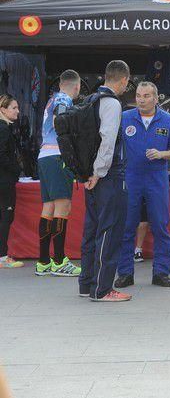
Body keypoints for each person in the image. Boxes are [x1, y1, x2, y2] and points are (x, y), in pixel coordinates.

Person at [114, 81, 170, 289]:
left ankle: (161, 273)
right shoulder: (124, 118)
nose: (141, 100)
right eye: (138, 95)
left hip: (157, 179)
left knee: (160, 226)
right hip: (131, 178)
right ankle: (125, 273)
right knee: (127, 227)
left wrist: (162, 154)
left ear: (156, 98)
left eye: (146, 96)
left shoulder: (169, 121)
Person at [79, 60, 131, 301]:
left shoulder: (89, 100)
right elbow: (108, 140)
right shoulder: (111, 104)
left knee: (91, 230)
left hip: (89, 175)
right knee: (110, 230)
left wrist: (89, 173)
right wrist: (99, 172)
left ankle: (86, 284)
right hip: (107, 176)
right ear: (123, 80)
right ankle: (102, 289)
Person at [35, 70, 82, 277]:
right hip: (57, 157)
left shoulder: (52, 98)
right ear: (77, 86)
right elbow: (59, 120)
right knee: (63, 206)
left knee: (49, 207)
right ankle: (60, 260)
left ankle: (44, 261)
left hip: (44, 155)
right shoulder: (64, 99)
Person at [0, 95, 22, 269]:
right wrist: (16, 169)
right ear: (3, 109)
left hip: (5, 179)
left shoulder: (6, 128)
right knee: (5, 217)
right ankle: (2, 256)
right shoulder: (3, 129)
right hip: (4, 181)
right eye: (13, 108)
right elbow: (2, 155)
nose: (17, 111)